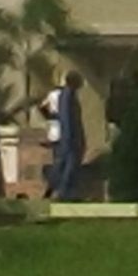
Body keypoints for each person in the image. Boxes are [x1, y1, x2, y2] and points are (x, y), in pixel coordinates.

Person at [42, 72, 87, 202]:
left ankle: (63, 191)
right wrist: (69, 137)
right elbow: (67, 118)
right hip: (69, 137)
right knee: (68, 166)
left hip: (70, 136)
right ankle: (62, 191)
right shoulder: (67, 96)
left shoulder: (70, 95)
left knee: (66, 165)